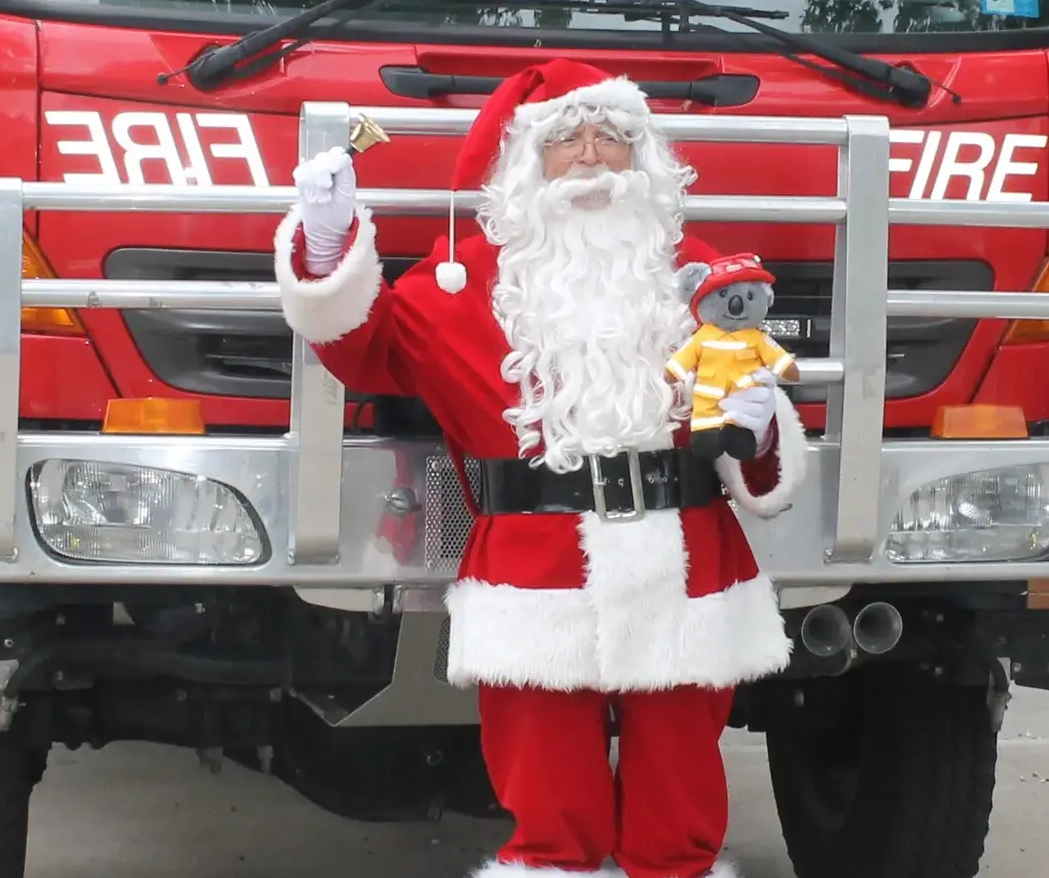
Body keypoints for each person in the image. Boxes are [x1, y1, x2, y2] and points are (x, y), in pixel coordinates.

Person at [276, 58, 810, 878]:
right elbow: (365, 350)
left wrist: (763, 425)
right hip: (533, 572)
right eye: (566, 138)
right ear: (526, 161)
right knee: (547, 799)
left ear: (645, 158)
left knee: (681, 794)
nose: (592, 155)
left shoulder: (699, 273)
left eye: (613, 136)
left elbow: (756, 443)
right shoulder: (462, 284)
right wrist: (324, 245)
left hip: (688, 565)